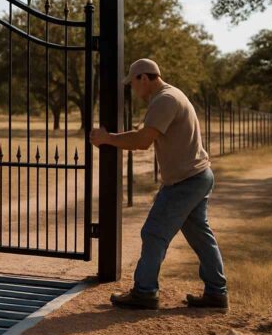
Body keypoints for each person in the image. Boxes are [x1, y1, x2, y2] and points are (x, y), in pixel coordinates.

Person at [89, 58, 228, 310]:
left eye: (133, 83)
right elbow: (147, 135)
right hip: (196, 176)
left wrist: (107, 138)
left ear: (144, 77)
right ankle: (216, 293)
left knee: (153, 233)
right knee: (200, 236)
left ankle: (145, 292)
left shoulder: (164, 99)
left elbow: (143, 141)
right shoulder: (169, 95)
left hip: (186, 180)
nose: (133, 88)